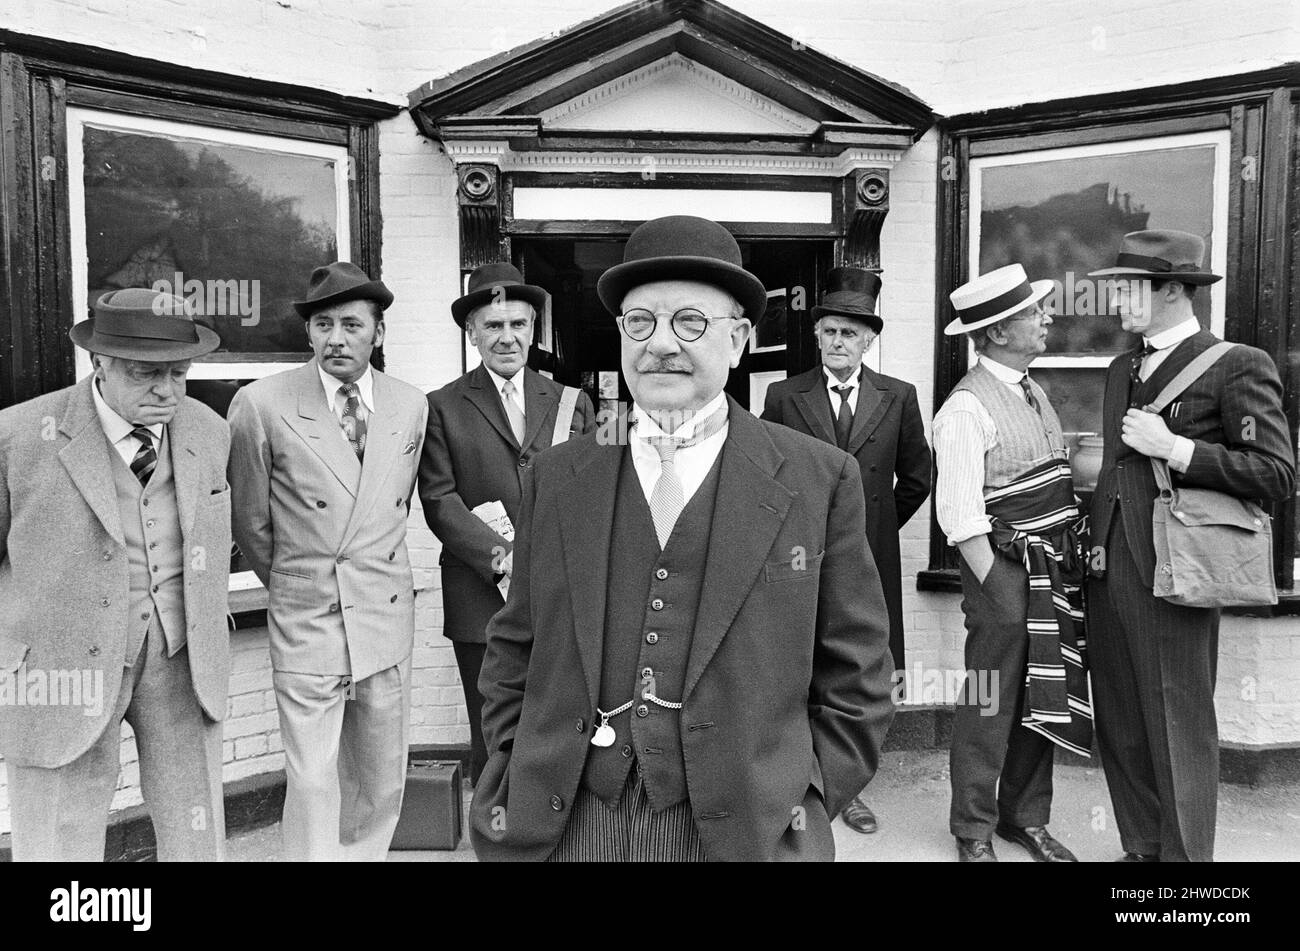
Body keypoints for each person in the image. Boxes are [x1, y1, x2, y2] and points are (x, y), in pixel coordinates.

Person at [469, 215, 895, 862]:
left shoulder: (819, 479)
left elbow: (859, 676)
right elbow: (512, 649)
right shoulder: (557, 477)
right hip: (569, 822)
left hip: (742, 830)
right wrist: (506, 773)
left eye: (690, 322)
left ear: (740, 339)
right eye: (639, 322)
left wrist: (803, 799)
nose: (660, 344)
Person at [0, 288, 230, 861]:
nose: (167, 390)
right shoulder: (20, 435)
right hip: (57, 666)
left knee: (195, 828)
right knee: (59, 835)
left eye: (179, 373)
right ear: (98, 362)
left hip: (182, 658)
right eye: (146, 373)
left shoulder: (207, 429)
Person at [1087, 230, 1294, 862]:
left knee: (1177, 719)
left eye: (1128, 289)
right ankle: (1142, 848)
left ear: (1174, 290)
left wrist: (1175, 449)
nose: (1116, 302)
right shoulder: (1124, 367)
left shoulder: (1237, 364)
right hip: (1110, 561)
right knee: (1119, 718)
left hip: (1179, 564)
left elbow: (1275, 473)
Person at [227, 261, 428, 861]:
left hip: (384, 612)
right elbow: (251, 522)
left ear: (378, 333)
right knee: (313, 779)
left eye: (351, 324)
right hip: (308, 612)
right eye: (323, 325)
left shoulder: (409, 405)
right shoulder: (261, 404)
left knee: (379, 775)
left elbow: (393, 508)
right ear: (309, 334)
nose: (336, 338)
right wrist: (295, 581)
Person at [762, 266, 931, 835]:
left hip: (869, 555)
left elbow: (916, 478)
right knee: (799, 661)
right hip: (797, 556)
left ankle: (847, 787)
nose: (839, 342)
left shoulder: (898, 397)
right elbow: (764, 476)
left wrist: (870, 528)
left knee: (857, 665)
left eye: (851, 335)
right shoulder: (784, 396)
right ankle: (793, 779)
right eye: (831, 332)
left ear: (868, 340)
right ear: (818, 336)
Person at [933, 263, 1090, 863]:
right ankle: (972, 827)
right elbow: (960, 515)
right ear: (997, 331)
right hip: (1003, 574)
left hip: (1052, 572)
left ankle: (1025, 818)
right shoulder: (966, 408)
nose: (1046, 317)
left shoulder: (1033, 387)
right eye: (1033, 312)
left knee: (1041, 691)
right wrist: (999, 592)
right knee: (991, 699)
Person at [418, 262, 595, 785]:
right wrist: (505, 559)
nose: (507, 337)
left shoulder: (571, 403)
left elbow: (592, 495)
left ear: (532, 330)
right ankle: (494, 829)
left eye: (517, 325)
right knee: (490, 724)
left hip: (562, 592)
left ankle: (549, 827)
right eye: (493, 326)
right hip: (480, 596)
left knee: (560, 718)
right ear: (472, 334)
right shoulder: (440, 407)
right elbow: (439, 499)